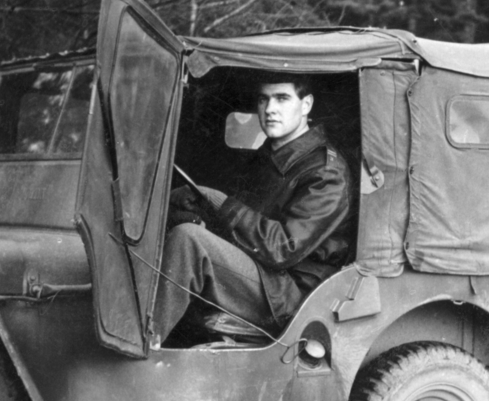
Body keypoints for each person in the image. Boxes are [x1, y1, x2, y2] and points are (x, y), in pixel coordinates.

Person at [152, 74, 354, 344]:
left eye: (282, 98)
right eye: (263, 99)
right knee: (180, 225)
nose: (270, 109)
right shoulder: (270, 155)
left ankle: (142, 349)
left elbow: (282, 247)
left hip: (289, 294)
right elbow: (245, 220)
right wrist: (202, 212)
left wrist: (216, 201)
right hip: (265, 275)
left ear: (306, 105)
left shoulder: (326, 173)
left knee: (189, 240)